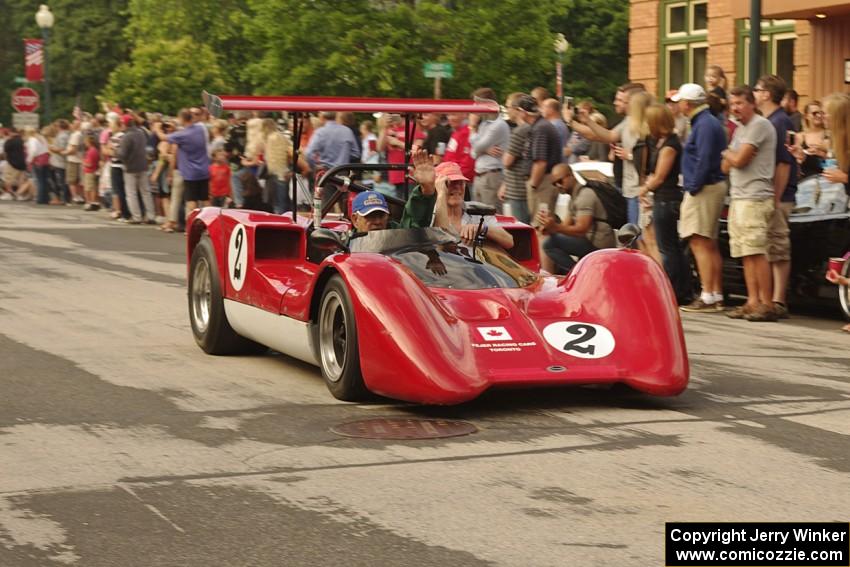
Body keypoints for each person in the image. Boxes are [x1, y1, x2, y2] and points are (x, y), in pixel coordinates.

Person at [722, 85, 778, 322]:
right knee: (744, 252)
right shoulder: (740, 129)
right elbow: (726, 165)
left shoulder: (759, 125)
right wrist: (730, 155)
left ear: (752, 103)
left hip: (755, 196)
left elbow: (741, 160)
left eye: (740, 103)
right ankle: (752, 300)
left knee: (756, 250)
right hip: (738, 195)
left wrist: (730, 154)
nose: (735, 108)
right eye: (732, 104)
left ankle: (766, 302)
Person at [673, 83, 728, 313]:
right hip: (710, 185)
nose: (678, 106)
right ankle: (714, 293)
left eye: (680, 102)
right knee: (709, 242)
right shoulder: (708, 121)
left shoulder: (704, 124)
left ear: (687, 103)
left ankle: (707, 295)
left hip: (704, 187)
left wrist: (693, 186)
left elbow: (704, 159)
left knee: (699, 241)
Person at [755, 74, 797, 319]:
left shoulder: (779, 122)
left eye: (758, 90)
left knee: (778, 243)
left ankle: (778, 298)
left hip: (779, 193)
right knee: (769, 244)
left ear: (767, 94)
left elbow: (784, 163)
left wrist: (776, 196)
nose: (756, 93)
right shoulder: (770, 120)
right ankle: (769, 297)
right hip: (772, 192)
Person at [638, 104, 691, 303]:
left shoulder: (670, 145)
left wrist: (643, 189)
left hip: (666, 199)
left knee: (667, 248)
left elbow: (660, 176)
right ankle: (680, 290)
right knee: (671, 247)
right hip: (661, 198)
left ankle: (673, 290)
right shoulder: (659, 142)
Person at [535, 163, 617, 273]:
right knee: (550, 238)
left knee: (550, 244)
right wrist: (549, 225)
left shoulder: (585, 196)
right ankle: (577, 271)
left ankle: (579, 273)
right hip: (589, 239)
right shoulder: (574, 197)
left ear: (571, 176)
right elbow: (565, 226)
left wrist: (555, 227)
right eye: (555, 184)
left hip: (598, 244)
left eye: (560, 181)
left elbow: (582, 229)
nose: (558, 186)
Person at [430, 160, 514, 249]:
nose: (457, 187)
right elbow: (438, 241)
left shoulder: (478, 210)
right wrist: (441, 194)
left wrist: (481, 228)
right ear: (437, 187)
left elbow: (509, 242)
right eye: (449, 183)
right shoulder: (428, 215)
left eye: (460, 182)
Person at [155, 108, 211, 215]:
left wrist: (157, 129)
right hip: (203, 170)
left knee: (191, 200)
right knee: (205, 198)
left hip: (190, 173)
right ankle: (210, 222)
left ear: (181, 118)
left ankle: (194, 224)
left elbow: (163, 137)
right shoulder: (200, 128)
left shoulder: (183, 135)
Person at [469, 87, 510, 208]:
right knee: (477, 216)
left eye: (477, 104)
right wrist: (485, 150)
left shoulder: (498, 125)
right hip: (479, 175)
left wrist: (472, 128)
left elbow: (477, 147)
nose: (475, 108)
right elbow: (473, 153)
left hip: (492, 176)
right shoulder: (484, 124)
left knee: (491, 217)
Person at [499, 92, 533, 223]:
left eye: (508, 107)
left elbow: (507, 161)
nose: (507, 110)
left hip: (518, 190)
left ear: (517, 109)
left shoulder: (520, 131)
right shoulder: (527, 129)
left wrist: (504, 155)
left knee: (522, 227)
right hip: (516, 187)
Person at [118, 114, 156, 224]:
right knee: (146, 192)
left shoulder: (127, 136)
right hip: (143, 165)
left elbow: (123, 154)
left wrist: (115, 152)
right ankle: (150, 216)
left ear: (124, 124)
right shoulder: (141, 133)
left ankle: (136, 216)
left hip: (130, 167)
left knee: (131, 193)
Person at [821, 93, 850, 192]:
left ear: (837, 117)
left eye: (825, 113)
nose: (822, 117)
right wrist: (805, 157)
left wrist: (846, 178)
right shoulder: (836, 139)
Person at [796, 101, 829, 178]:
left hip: (826, 180)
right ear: (807, 116)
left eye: (821, 113)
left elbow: (837, 159)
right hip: (805, 180)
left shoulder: (829, 135)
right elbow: (795, 162)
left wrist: (822, 154)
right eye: (814, 113)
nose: (819, 115)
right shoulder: (800, 136)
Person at [82, 135, 100, 211]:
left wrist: (83, 162)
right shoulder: (95, 150)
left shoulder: (90, 152)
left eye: (86, 142)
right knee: (93, 188)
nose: (85, 144)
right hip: (94, 171)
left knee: (88, 188)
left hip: (89, 172)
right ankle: (93, 202)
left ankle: (89, 202)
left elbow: (90, 164)